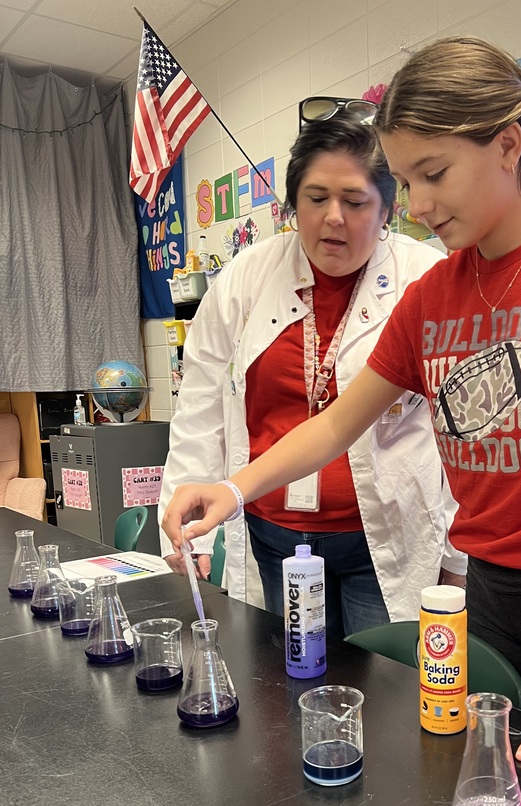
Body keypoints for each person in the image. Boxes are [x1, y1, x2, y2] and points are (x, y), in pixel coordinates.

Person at [162, 37, 521, 769]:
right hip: (487, 597)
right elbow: (333, 426)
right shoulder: (432, 299)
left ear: (507, 146)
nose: (415, 206)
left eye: (433, 174)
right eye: (406, 181)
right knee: (482, 788)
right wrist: (232, 487)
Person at [158, 111, 466, 636]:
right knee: (289, 689)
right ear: (292, 204)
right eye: (317, 198)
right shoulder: (246, 278)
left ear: (388, 207)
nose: (334, 218)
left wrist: (457, 559)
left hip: (386, 538)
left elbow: (460, 431)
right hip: (274, 535)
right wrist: (186, 533)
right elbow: (200, 405)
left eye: (354, 201)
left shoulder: (428, 278)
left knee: (387, 694)